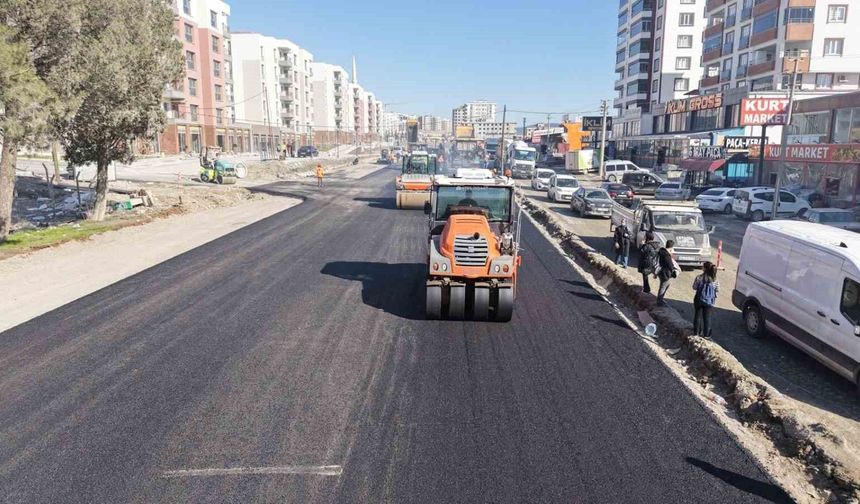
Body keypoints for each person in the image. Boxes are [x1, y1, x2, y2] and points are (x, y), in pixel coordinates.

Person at [692, 261, 719, 338]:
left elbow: (694, 287)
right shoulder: (715, 279)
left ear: (705, 269)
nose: (702, 267)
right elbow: (717, 289)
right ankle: (706, 334)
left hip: (699, 299)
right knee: (707, 317)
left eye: (703, 266)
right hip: (709, 301)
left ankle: (696, 332)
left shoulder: (699, 277)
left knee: (697, 315)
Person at [656, 240, 678, 306]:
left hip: (661, 271)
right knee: (663, 287)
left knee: (665, 285)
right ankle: (659, 301)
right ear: (671, 247)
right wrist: (674, 272)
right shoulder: (666, 255)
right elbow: (670, 265)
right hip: (665, 273)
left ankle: (660, 299)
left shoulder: (661, 251)